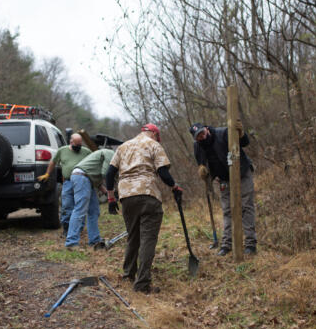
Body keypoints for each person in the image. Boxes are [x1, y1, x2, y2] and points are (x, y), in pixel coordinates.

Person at [106, 123, 182, 295]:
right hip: (148, 193)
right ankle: (142, 284)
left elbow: (110, 173)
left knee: (133, 236)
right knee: (148, 238)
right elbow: (163, 172)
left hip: (126, 195)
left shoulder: (123, 146)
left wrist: (111, 198)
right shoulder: (154, 145)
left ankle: (128, 275)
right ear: (154, 134)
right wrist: (175, 186)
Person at [189, 122, 256, 256]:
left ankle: (250, 244)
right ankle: (227, 245)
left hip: (242, 173)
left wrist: (241, 134)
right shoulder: (198, 146)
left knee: (246, 207)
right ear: (195, 139)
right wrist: (204, 171)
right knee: (227, 211)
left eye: (202, 133)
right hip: (223, 179)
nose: (202, 137)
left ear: (207, 129)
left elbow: (245, 142)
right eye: (198, 137)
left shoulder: (224, 133)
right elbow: (202, 163)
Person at [37, 133, 91, 236]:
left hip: (82, 182)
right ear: (71, 142)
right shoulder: (62, 150)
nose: (78, 147)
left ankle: (77, 230)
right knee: (66, 206)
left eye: (80, 145)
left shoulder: (86, 152)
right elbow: (53, 162)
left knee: (80, 207)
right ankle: (66, 229)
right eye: (76, 145)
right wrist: (47, 173)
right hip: (68, 182)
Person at [65, 148, 114, 248]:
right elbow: (106, 174)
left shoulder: (105, 155)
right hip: (82, 177)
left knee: (94, 211)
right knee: (80, 209)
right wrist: (112, 192)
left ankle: (94, 240)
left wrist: (108, 194)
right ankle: (71, 242)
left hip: (87, 179)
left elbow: (98, 180)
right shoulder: (111, 154)